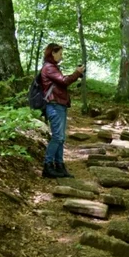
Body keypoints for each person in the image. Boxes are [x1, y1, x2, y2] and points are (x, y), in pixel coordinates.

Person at [40, 43, 85, 178]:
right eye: (60, 53)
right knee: (58, 137)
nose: (61, 56)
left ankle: (59, 165)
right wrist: (77, 73)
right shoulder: (49, 68)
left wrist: (77, 74)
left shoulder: (53, 67)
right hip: (54, 105)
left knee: (61, 138)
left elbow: (61, 82)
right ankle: (47, 166)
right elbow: (64, 81)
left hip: (60, 105)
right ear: (53, 53)